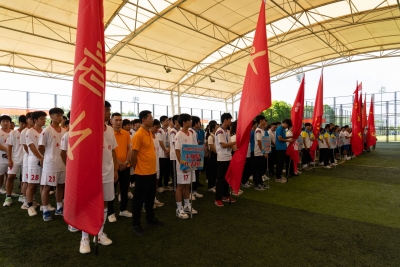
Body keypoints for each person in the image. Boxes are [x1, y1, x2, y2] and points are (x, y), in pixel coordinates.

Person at [79, 101, 119, 254]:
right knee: (88, 204)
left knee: (104, 203)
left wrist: (115, 168)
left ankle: (100, 233)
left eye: (109, 110)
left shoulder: (109, 130)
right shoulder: (86, 128)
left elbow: (113, 152)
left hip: (107, 173)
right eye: (106, 110)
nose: (109, 112)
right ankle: (84, 238)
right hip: (90, 174)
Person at [131, 110, 163, 236]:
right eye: (150, 117)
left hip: (151, 171)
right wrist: (137, 169)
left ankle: (150, 218)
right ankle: (136, 224)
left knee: (150, 197)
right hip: (142, 173)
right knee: (138, 200)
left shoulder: (149, 133)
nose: (152, 119)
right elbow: (133, 155)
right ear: (144, 120)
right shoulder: (138, 135)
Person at [38, 108, 67, 221]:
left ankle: (59, 207)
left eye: (61, 115)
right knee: (47, 187)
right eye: (57, 115)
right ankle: (45, 210)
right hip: (50, 164)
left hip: (62, 164)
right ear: (51, 116)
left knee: (60, 186)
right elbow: (40, 146)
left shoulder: (64, 131)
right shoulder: (46, 131)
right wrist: (47, 156)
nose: (60, 117)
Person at [107, 112, 132, 223]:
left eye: (120, 120)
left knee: (124, 189)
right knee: (111, 191)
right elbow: (109, 151)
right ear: (111, 121)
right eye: (116, 120)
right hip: (113, 167)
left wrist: (126, 162)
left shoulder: (126, 133)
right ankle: (110, 212)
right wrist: (118, 163)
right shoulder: (108, 133)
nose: (118, 122)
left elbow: (129, 148)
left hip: (125, 166)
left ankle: (123, 209)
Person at [174, 113, 198, 219]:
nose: (191, 122)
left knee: (187, 185)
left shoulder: (190, 133)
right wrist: (182, 165)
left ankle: (187, 205)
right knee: (180, 186)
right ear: (184, 122)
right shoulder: (179, 134)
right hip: (182, 165)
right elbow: (177, 151)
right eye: (189, 120)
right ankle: (179, 208)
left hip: (190, 163)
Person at [25, 111, 47, 216]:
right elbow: (32, 147)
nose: (44, 120)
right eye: (42, 118)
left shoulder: (44, 131)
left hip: (44, 161)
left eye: (45, 118)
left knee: (43, 184)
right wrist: (40, 158)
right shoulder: (29, 132)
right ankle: (29, 206)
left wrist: (44, 158)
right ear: (35, 120)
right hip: (34, 161)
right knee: (32, 185)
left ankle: (44, 205)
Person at [4, 115, 27, 207]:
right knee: (10, 177)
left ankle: (22, 195)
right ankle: (8, 196)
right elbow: (9, 147)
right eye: (22, 123)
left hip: (26, 160)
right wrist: (9, 159)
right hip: (15, 159)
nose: (24, 125)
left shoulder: (29, 132)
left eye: (26, 123)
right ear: (19, 123)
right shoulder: (13, 133)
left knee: (24, 179)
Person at [214, 113, 236, 207]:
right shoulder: (219, 131)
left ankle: (225, 195)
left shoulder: (227, 131)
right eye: (229, 120)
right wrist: (234, 143)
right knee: (220, 179)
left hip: (228, 157)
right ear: (225, 120)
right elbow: (223, 145)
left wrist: (236, 149)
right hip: (222, 158)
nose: (230, 121)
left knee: (227, 178)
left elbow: (230, 144)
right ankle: (218, 198)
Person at [20, 112, 34, 209]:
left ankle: (31, 199)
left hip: (33, 159)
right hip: (27, 159)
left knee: (32, 181)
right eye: (30, 118)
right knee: (26, 181)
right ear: (27, 120)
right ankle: (25, 201)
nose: (32, 120)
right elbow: (25, 146)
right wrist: (31, 154)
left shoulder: (35, 130)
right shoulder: (24, 131)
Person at [150, 119, 164, 208]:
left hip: (156, 163)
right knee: (148, 185)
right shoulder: (147, 136)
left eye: (158, 127)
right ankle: (147, 202)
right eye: (156, 127)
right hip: (149, 165)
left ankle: (153, 198)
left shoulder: (155, 136)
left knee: (156, 182)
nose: (158, 129)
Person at [188, 116, 203, 199]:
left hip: (196, 154)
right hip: (191, 155)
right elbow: (190, 145)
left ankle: (194, 191)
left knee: (195, 173)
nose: (199, 124)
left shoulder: (194, 132)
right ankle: (190, 192)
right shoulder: (190, 131)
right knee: (191, 173)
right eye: (198, 122)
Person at [157, 116, 173, 192]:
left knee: (167, 170)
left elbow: (170, 142)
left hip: (168, 154)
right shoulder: (159, 131)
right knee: (161, 171)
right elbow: (160, 142)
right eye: (166, 121)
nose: (168, 122)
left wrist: (169, 150)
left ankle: (166, 184)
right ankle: (159, 185)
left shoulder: (169, 131)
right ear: (162, 122)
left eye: (168, 121)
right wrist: (165, 150)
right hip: (161, 154)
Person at [275, 119, 294, 183]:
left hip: (283, 148)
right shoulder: (280, 128)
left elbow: (283, 137)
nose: (287, 127)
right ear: (284, 123)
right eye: (287, 126)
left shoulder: (283, 129)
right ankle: (278, 177)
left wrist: (289, 137)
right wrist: (289, 140)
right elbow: (280, 138)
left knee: (282, 163)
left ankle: (279, 175)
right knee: (280, 163)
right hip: (280, 148)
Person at [253, 115, 268, 190]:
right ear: (260, 121)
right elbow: (259, 142)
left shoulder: (262, 130)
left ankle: (260, 182)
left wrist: (266, 151)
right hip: (258, 153)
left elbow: (264, 141)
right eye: (264, 120)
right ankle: (257, 184)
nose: (265, 122)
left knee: (261, 169)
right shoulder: (258, 130)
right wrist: (264, 151)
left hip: (262, 152)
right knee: (257, 169)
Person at [0, 115, 12, 195]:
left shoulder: (13, 132)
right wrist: (8, 150)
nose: (5, 123)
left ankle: (9, 192)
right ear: (0, 123)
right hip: (1, 158)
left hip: (11, 158)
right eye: (3, 121)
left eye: (7, 121)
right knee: (0, 176)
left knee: (9, 176)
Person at [169, 115, 180, 192]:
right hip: (174, 155)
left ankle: (179, 188)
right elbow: (175, 143)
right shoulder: (173, 131)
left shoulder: (180, 131)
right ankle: (175, 189)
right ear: (176, 121)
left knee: (179, 172)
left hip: (180, 154)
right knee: (175, 173)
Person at [206, 122, 217, 192]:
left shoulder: (215, 136)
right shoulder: (210, 137)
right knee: (212, 171)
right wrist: (218, 153)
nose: (218, 127)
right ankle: (210, 186)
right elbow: (212, 148)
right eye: (216, 126)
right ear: (213, 128)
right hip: (213, 155)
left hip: (216, 155)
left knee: (215, 171)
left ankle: (213, 185)